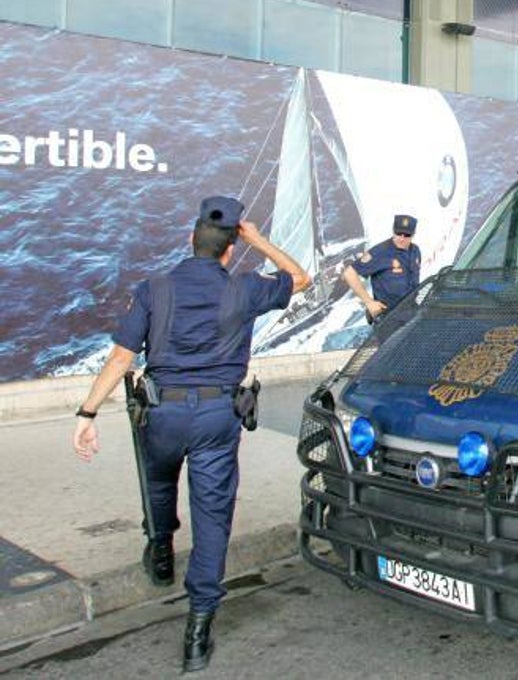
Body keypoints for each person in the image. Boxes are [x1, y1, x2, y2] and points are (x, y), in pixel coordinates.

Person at [72, 196, 311, 672]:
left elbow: (121, 358)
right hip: (217, 418)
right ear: (230, 249)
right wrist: (258, 239)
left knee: (159, 485)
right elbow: (299, 278)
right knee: (213, 517)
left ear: (190, 241)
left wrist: (87, 413)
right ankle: (198, 632)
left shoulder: (154, 289)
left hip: (162, 414)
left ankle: (160, 552)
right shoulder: (244, 288)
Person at [343, 213, 423, 319]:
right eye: (398, 233)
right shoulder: (381, 252)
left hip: (411, 312)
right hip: (388, 318)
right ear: (393, 231)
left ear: (413, 234)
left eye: (407, 235)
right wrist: (369, 302)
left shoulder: (415, 251)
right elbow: (349, 273)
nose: (402, 238)